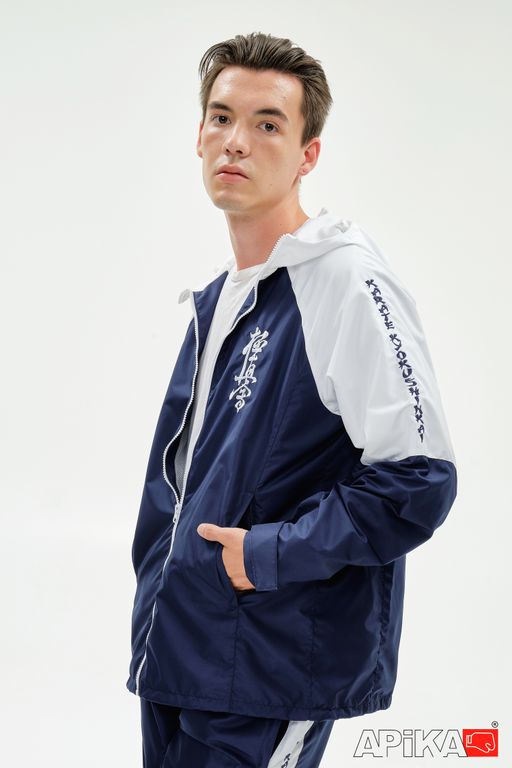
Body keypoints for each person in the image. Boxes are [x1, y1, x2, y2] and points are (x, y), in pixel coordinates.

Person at [126, 31, 458, 767]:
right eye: (221, 117)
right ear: (199, 134)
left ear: (308, 154)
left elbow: (420, 481)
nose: (236, 141)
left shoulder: (344, 282)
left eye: (268, 124)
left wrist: (268, 554)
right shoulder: (222, 298)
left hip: (266, 669)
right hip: (179, 652)